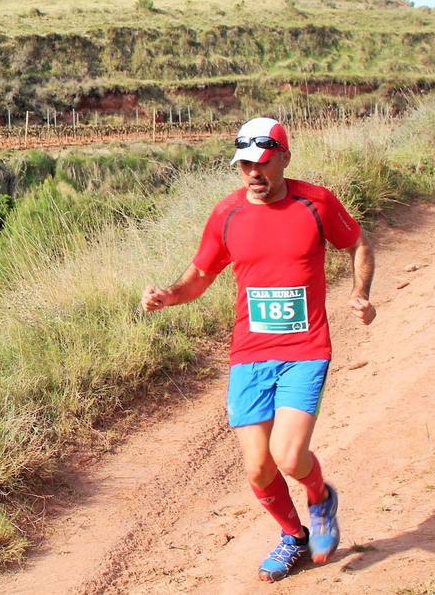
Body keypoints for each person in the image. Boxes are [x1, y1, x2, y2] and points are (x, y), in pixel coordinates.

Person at [142, 117, 375, 583]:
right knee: (258, 467)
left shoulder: (316, 203)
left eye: (263, 163)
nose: (254, 172)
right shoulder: (227, 213)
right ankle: (294, 536)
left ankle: (320, 498)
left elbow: (358, 244)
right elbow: (200, 276)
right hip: (249, 354)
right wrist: (169, 295)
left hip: (305, 349)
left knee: (290, 457)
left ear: (285, 158)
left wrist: (362, 292)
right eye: (246, 163)